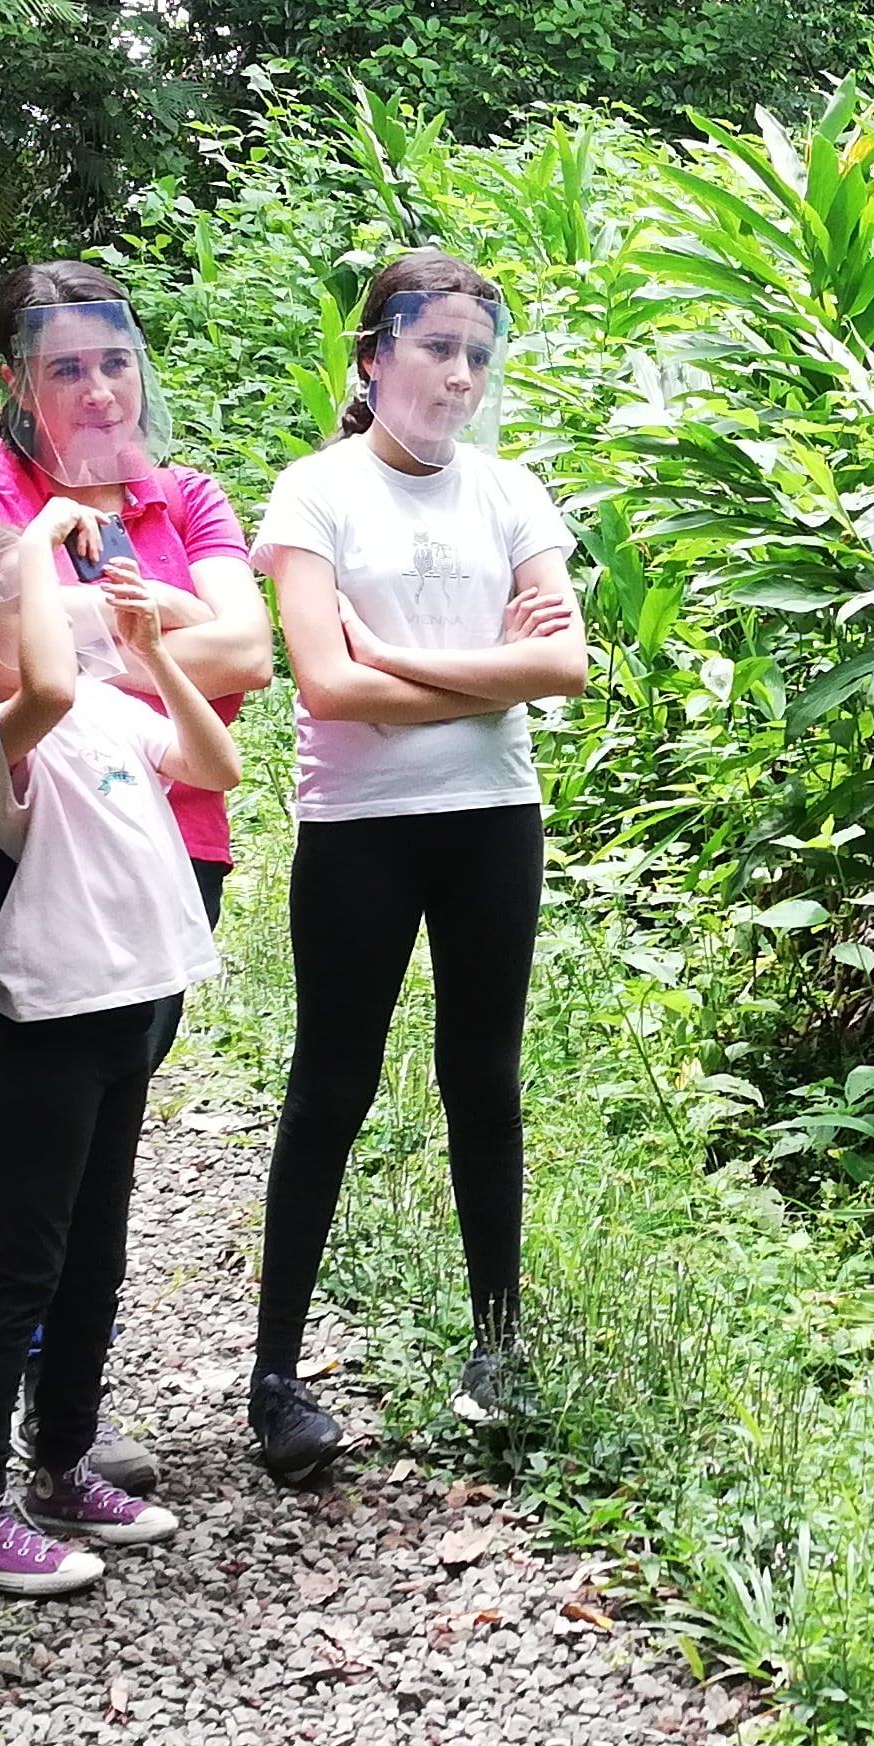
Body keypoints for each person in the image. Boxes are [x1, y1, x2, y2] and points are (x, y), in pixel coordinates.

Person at [0, 266, 273, 1493]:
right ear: (17, 381)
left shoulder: (187, 493)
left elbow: (252, 654)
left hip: (146, 856)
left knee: (82, 1154)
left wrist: (71, 615)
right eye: (64, 365)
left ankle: (54, 1401)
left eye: (113, 360)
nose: (95, 385)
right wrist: (139, 622)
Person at [242, 251, 588, 1484]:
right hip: (359, 829)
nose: (458, 373)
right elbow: (327, 687)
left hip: (494, 816)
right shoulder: (314, 493)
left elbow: (565, 670)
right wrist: (479, 665)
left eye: (478, 353)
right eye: (435, 346)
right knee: (331, 1086)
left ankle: (498, 1351)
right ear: (374, 353)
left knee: (482, 1083)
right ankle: (275, 1377)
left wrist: (398, 663)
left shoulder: (510, 494)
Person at [0, 507, 237, 1592]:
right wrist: (38, 538)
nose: (61, 614)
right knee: (24, 1266)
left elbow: (213, 764)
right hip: (49, 1020)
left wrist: (148, 659)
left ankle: (60, 1465)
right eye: (28, 600)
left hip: (127, 1006)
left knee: (96, 1252)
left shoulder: (98, 702)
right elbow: (40, 686)